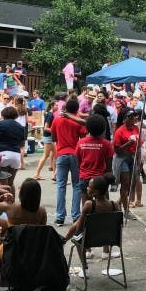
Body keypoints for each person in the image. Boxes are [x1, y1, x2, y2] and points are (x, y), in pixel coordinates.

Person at [0, 178, 47, 291]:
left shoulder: (12, 208)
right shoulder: (42, 211)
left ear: (21, 193)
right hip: (33, 249)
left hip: (11, 248)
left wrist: (2, 198)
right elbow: (42, 231)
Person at [62, 174, 121, 264]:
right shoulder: (114, 205)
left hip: (89, 240)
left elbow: (79, 228)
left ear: (95, 192)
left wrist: (74, 233)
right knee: (78, 222)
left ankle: (84, 267)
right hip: (110, 239)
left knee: (77, 236)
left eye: (89, 187)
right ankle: (63, 240)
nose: (87, 188)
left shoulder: (89, 205)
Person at [51, 97, 86, 226]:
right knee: (77, 185)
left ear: (65, 109)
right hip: (75, 153)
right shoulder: (77, 122)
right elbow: (83, 136)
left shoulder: (57, 120)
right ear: (77, 110)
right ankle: (76, 215)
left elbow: (53, 137)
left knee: (61, 185)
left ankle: (60, 216)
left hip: (61, 153)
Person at [0, 105, 27, 188]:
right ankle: (12, 200)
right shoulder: (20, 127)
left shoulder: (0, 124)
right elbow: (22, 144)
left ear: (3, 114)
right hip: (16, 155)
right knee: (11, 183)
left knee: (3, 183)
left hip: (2, 153)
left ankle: (4, 200)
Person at [112, 109, 142, 215]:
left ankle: (119, 202)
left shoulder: (136, 128)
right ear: (125, 119)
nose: (134, 118)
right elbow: (116, 150)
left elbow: (139, 146)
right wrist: (128, 144)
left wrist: (138, 161)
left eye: (134, 116)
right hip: (122, 159)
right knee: (125, 184)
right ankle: (126, 210)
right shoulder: (119, 131)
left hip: (132, 158)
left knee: (131, 184)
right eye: (130, 117)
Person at [33, 101, 56, 181]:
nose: (57, 106)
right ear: (52, 106)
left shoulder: (50, 114)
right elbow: (46, 128)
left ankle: (54, 174)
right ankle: (37, 173)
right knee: (45, 156)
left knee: (55, 155)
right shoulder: (50, 115)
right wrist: (55, 130)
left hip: (50, 138)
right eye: (56, 105)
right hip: (48, 137)